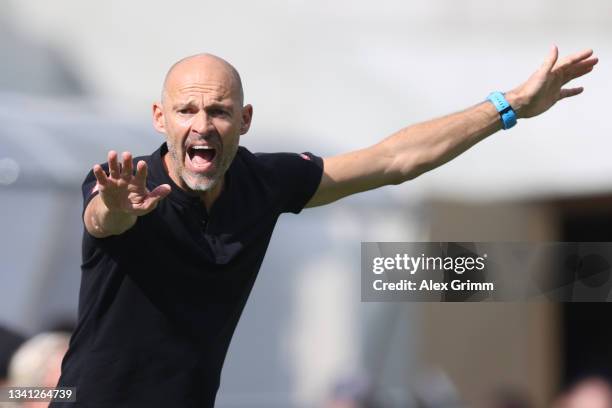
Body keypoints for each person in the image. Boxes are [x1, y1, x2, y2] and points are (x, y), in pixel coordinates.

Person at [52, 48, 598, 407]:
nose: (202, 124)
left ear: (244, 120)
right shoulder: (126, 184)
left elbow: (393, 159)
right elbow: (104, 218)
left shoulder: (263, 183)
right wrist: (117, 205)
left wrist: (507, 107)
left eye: (218, 110)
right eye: (186, 110)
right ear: (159, 118)